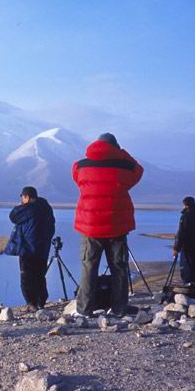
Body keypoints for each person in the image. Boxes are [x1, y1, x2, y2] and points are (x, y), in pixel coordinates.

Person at [72, 133, 143, 317]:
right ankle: (119, 309)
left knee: (89, 268)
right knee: (119, 268)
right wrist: (121, 153)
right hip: (116, 227)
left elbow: (76, 178)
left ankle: (84, 309)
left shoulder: (81, 166)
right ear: (115, 147)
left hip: (89, 227)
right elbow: (139, 170)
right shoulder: (124, 167)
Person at [6, 186, 56, 311]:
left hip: (28, 249)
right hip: (43, 249)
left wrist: (20, 206)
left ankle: (31, 303)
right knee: (40, 275)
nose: (22, 200)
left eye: (23, 197)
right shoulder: (46, 208)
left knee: (26, 276)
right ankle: (41, 302)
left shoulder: (28, 209)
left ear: (27, 197)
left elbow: (13, 216)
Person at [173, 196, 195, 288]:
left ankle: (189, 286)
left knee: (187, 267)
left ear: (186, 205)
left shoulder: (185, 216)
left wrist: (176, 248)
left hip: (187, 247)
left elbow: (181, 233)